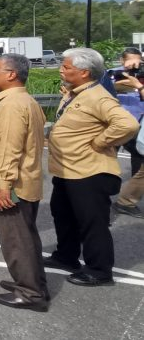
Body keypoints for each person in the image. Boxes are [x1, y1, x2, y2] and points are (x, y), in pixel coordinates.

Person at [47, 48, 140, 286]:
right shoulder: (75, 93)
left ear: (84, 72)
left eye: (66, 67)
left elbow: (127, 124)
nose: (61, 69)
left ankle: (99, 269)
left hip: (88, 172)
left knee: (91, 221)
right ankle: (66, 256)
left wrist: (100, 142)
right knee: (62, 214)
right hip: (67, 170)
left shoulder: (98, 96)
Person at [0, 53, 48, 311]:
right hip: (24, 180)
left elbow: (11, 149)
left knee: (16, 240)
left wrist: (3, 184)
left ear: (12, 74)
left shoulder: (12, 105)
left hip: (13, 185)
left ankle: (30, 293)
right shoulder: (25, 101)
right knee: (26, 236)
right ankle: (33, 283)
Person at [108, 47, 144, 218]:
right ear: (123, 61)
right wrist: (120, 83)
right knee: (105, 163)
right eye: (131, 62)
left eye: (139, 62)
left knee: (140, 165)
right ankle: (100, 198)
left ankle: (127, 199)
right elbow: (101, 88)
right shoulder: (112, 74)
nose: (134, 67)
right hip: (115, 125)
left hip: (138, 127)